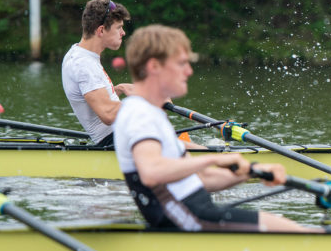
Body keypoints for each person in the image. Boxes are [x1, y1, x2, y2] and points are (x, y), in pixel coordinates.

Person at [114, 24, 319, 232]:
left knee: (298, 229)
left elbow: (203, 179)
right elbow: (151, 172)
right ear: (154, 67)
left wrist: (254, 172)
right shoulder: (139, 114)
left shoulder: (151, 113)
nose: (189, 71)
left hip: (195, 212)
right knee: (306, 235)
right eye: (181, 63)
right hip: (185, 218)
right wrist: (215, 158)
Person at [62, 0, 134, 147]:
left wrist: (118, 89)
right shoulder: (84, 65)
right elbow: (107, 114)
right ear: (101, 30)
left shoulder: (78, 53)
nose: (123, 33)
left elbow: (91, 94)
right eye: (119, 27)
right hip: (117, 141)